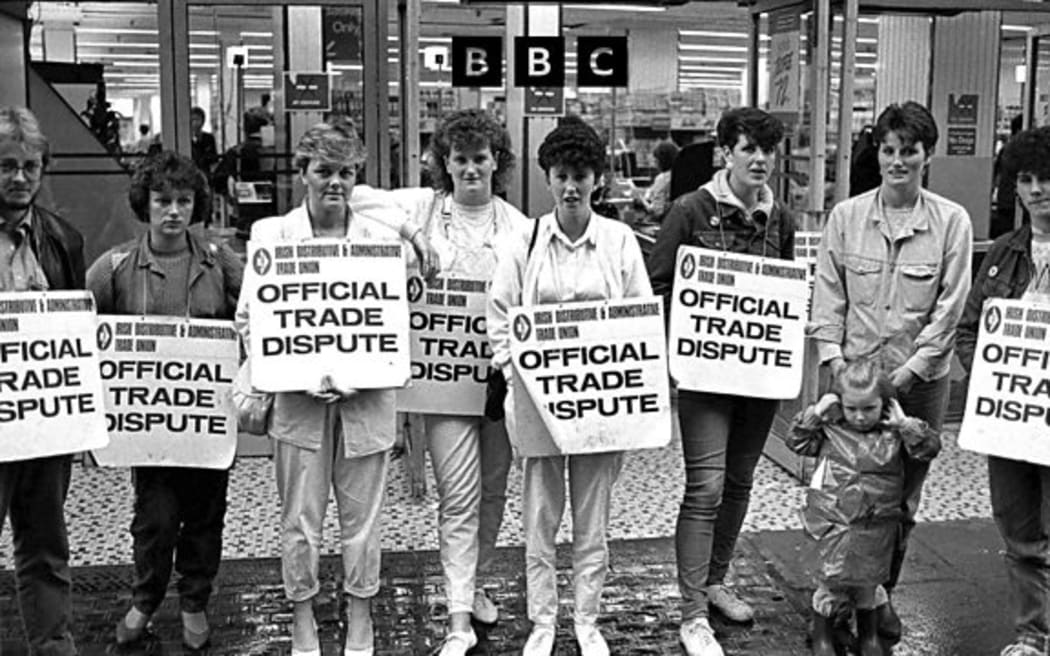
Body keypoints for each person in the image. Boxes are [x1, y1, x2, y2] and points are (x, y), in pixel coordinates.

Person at [235, 121, 434, 656]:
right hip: (297, 404)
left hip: (364, 401)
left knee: (363, 520)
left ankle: (361, 614)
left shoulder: (380, 241)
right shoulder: (271, 237)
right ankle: (304, 615)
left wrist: (356, 372)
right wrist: (300, 373)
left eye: (346, 173)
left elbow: (391, 324)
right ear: (301, 174)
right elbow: (251, 320)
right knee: (299, 518)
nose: (336, 184)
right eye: (323, 171)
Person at [808, 101, 972, 641]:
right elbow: (827, 299)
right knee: (845, 496)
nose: (897, 161)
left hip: (917, 385)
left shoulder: (952, 222)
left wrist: (899, 380)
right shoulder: (846, 217)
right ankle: (846, 594)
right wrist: (838, 369)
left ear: (928, 155)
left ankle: (880, 595)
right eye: (888, 150)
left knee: (899, 501)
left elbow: (949, 311)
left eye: (909, 151)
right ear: (876, 153)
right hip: (853, 385)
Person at [487, 115, 651, 656]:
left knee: (593, 518)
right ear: (548, 177)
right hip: (537, 405)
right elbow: (500, 316)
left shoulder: (620, 241)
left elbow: (640, 320)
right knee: (539, 515)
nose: (572, 185)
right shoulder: (523, 241)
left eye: (582, 173)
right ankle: (542, 621)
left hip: (600, 406)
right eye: (561, 174)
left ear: (597, 178)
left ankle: (587, 620)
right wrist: (517, 376)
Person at [647, 107, 795, 656]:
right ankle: (690, 614)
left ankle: (715, 581)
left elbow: (786, 289)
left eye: (767, 150)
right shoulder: (690, 210)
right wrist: (677, 348)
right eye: (747, 149)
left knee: (739, 484)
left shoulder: (780, 218)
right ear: (726, 153)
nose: (759, 159)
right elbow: (657, 284)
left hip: (757, 378)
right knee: (705, 486)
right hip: (705, 378)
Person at [86, 150, 243, 650]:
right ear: (145, 205)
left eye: (183, 201)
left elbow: (253, 323)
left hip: (206, 422)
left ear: (196, 204)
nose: (173, 211)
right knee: (153, 520)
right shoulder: (112, 268)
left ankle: (195, 600)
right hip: (148, 428)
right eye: (162, 201)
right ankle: (145, 599)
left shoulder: (221, 263)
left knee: (205, 515)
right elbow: (86, 336)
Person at [387, 109, 528, 656]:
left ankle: (474, 581)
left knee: (493, 492)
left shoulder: (518, 226)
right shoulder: (421, 210)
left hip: (496, 385)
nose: (471, 168)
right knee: (458, 495)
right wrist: (405, 237)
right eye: (460, 158)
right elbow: (360, 201)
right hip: (441, 385)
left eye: (481, 157)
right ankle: (457, 618)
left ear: (498, 161)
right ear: (444, 163)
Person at [957, 125, 1050, 656]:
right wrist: (993, 377)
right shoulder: (1002, 253)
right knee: (1019, 535)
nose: (1036, 190)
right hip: (1011, 418)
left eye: (1046, 178)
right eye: (1026, 179)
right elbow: (969, 330)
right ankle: (1030, 636)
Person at [0, 106, 86, 655]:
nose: (19, 177)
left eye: (30, 166)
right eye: (6, 165)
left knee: (46, 544)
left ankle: (54, 646)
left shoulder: (63, 239)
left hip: (44, 422)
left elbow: (74, 330)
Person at [786, 358, 940, 656]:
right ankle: (823, 635)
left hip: (876, 525)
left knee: (868, 584)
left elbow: (928, 448)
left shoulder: (894, 434)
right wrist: (816, 413)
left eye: (868, 408)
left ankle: (867, 634)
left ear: (884, 404)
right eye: (851, 408)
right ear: (839, 404)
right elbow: (796, 441)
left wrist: (905, 424)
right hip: (834, 525)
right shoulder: (829, 430)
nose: (859, 417)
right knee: (830, 583)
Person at [212, 112, 276, 239]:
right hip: (272, 215)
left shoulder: (236, 151)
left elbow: (218, 179)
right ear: (265, 129)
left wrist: (232, 192)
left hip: (245, 217)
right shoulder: (275, 152)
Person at [644, 140, 679, 220]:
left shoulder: (662, 178)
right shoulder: (682, 175)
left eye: (656, 160)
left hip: (664, 221)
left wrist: (646, 205)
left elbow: (658, 211)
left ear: (660, 161)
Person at [190, 107, 219, 178]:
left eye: (197, 120)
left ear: (203, 121)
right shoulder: (185, 139)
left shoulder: (209, 138)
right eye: (192, 120)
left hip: (206, 174)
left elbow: (214, 160)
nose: (195, 123)